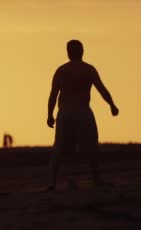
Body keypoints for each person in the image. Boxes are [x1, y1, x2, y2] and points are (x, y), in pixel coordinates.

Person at [47, 40, 119, 190]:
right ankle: (96, 179)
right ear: (82, 52)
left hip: (66, 113)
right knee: (91, 145)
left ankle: (52, 182)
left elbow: (53, 95)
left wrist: (50, 114)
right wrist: (112, 105)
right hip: (82, 112)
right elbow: (102, 89)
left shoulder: (62, 70)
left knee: (59, 146)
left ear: (68, 53)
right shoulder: (88, 69)